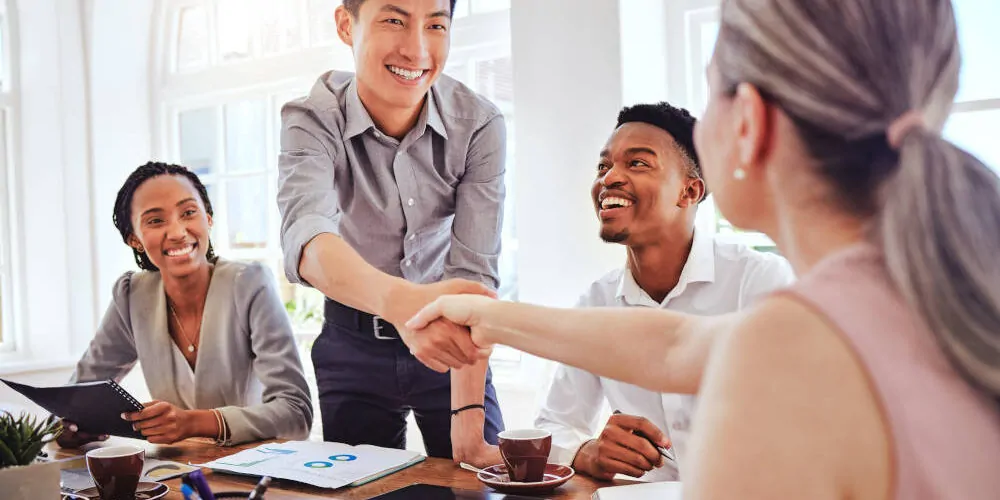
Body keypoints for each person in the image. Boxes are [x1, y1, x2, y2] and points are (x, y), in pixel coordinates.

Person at [406, 0, 1000, 498]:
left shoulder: (784, 339)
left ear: (748, 124)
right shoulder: (924, 294)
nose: (610, 177)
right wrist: (485, 315)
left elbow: (701, 349)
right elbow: (677, 346)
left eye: (713, 91)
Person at [276, 0, 504, 464]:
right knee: (359, 490)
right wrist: (405, 306)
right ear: (347, 25)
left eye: (435, 25)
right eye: (394, 20)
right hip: (352, 341)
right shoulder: (312, 118)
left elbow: (474, 276)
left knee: (484, 482)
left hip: (453, 341)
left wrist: (467, 419)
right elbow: (307, 237)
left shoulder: (479, 124)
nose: (417, 49)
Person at [535, 102, 794, 482]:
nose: (609, 179)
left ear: (689, 191)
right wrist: (586, 451)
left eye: (637, 163)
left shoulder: (758, 282)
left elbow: (802, 421)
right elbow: (554, 423)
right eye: (603, 167)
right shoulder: (599, 302)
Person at [58, 162, 312, 448]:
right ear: (134, 239)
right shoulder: (131, 296)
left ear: (209, 218)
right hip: (175, 474)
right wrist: (70, 425)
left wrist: (192, 422)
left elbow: (296, 413)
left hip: (253, 472)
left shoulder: (249, 283)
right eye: (155, 220)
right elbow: (76, 396)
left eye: (188, 213)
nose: (178, 232)